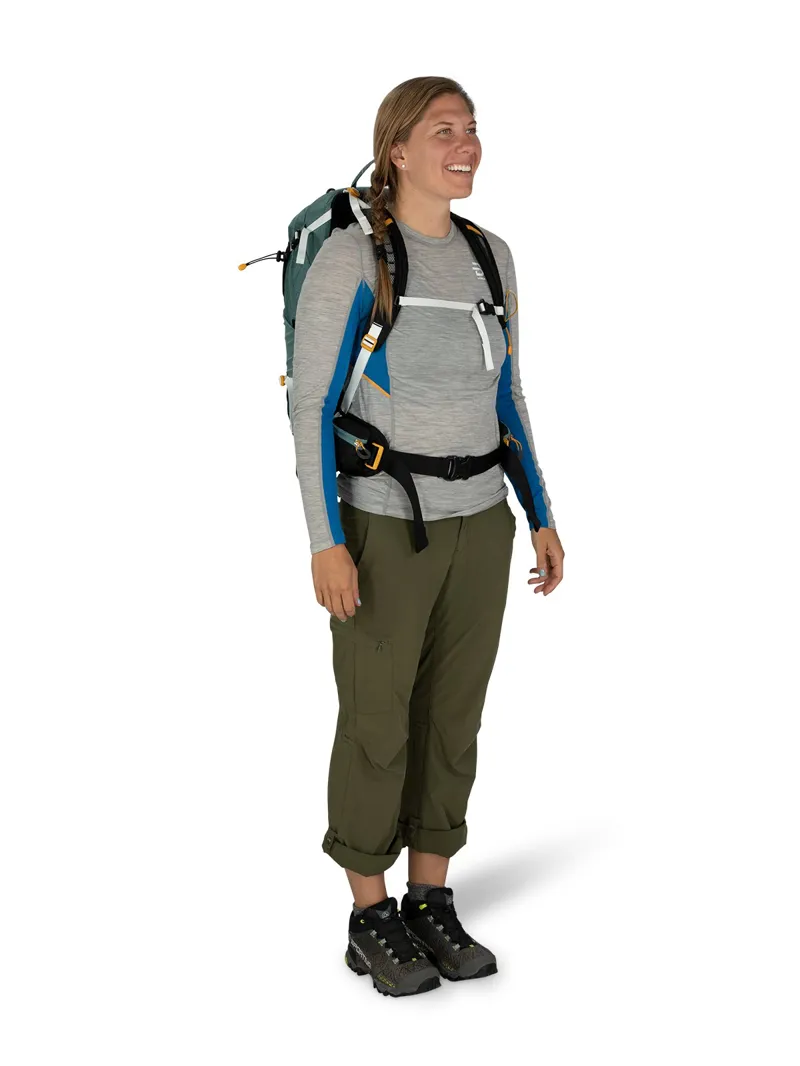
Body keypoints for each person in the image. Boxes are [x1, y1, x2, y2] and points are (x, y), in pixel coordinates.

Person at [290, 76, 565, 997]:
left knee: (453, 717)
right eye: (443, 129)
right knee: (378, 718)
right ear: (397, 150)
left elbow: (507, 395)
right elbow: (310, 406)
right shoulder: (353, 260)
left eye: (472, 128)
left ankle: (429, 899)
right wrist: (326, 540)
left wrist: (542, 514)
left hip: (481, 524)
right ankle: (370, 915)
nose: (466, 144)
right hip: (382, 525)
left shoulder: (492, 257)